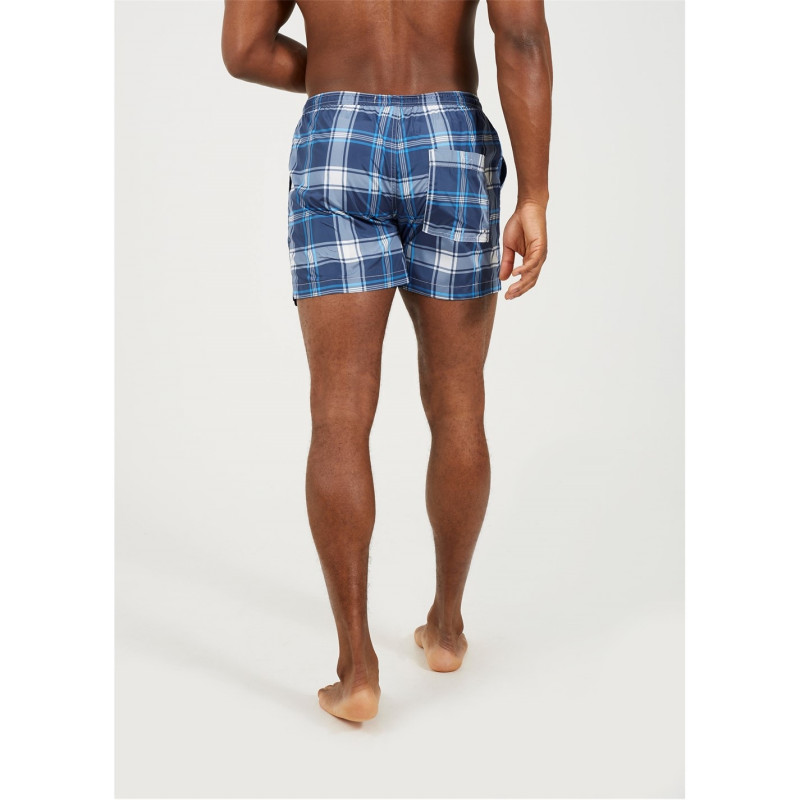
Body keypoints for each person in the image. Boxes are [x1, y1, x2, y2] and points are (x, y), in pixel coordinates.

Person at [221, 0, 552, 722]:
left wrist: (335, 73)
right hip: (451, 140)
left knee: (338, 414)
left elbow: (245, 49)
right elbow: (521, 36)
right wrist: (533, 194)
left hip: (337, 135)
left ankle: (357, 669)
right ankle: (447, 628)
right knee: (459, 402)